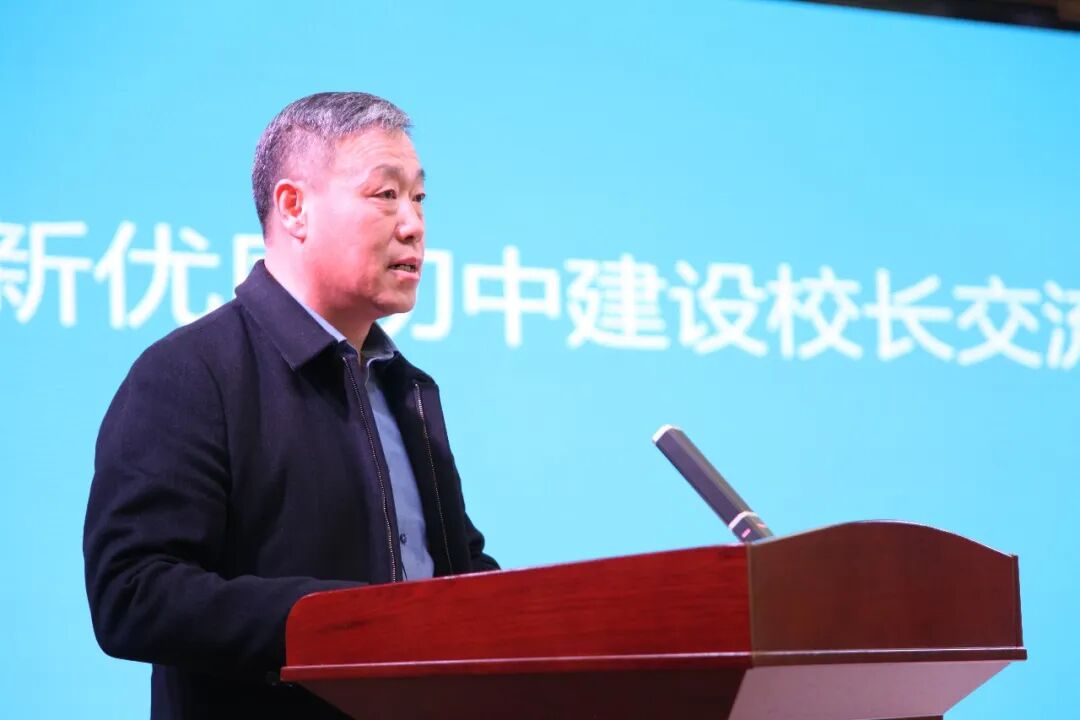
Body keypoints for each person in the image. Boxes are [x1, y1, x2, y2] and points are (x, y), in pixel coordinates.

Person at [83, 92, 498, 719]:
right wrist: (353, 624)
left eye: (419, 198)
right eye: (386, 194)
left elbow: (454, 574)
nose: (414, 224)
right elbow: (133, 592)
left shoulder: (405, 389)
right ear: (294, 208)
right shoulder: (190, 373)